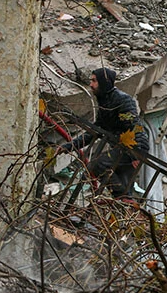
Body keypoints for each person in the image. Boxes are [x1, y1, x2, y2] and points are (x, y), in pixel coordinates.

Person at [57, 67, 150, 198]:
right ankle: (125, 204)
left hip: (133, 148)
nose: (91, 84)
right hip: (125, 148)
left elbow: (134, 127)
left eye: (94, 81)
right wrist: (70, 146)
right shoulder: (105, 101)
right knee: (123, 185)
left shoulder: (122, 100)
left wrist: (137, 153)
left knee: (98, 165)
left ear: (104, 82)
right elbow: (95, 131)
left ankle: (123, 199)